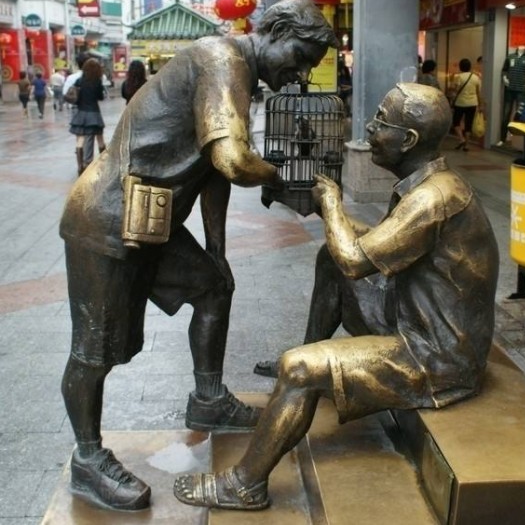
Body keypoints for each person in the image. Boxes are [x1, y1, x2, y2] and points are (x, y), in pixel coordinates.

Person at [58, 0, 338, 512]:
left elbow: (212, 170)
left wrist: (216, 250)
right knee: (94, 349)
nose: (299, 74)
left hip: (151, 218)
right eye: (299, 57)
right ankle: (88, 457)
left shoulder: (240, 73)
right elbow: (232, 159)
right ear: (275, 31)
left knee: (214, 286)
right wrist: (281, 178)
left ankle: (208, 399)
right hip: (108, 216)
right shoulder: (222, 60)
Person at [174, 82, 499, 511]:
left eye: (381, 122)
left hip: (436, 356)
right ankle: (310, 358)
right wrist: (331, 216)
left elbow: (355, 261)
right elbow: (366, 247)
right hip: (410, 317)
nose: (370, 128)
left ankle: (245, 485)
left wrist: (331, 205)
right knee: (329, 256)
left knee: (300, 368)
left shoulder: (432, 199)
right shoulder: (429, 184)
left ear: (408, 140)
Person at [69, 58, 106, 175]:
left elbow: (75, 96)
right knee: (100, 139)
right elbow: (100, 97)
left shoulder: (79, 81)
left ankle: (80, 166)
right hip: (94, 113)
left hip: (81, 113)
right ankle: (103, 164)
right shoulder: (97, 82)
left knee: (80, 139)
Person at [498, 45, 525, 146]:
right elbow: (504, 70)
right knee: (506, 114)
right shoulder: (510, 57)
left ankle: (516, 139)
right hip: (509, 90)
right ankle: (502, 138)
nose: (521, 46)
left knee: (520, 114)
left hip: (521, 90)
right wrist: (505, 78)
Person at [64, 53, 96, 167]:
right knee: (89, 136)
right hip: (90, 110)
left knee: (79, 136)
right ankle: (88, 161)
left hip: (76, 110)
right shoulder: (92, 77)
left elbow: (65, 94)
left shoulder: (71, 78)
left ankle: (80, 163)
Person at [450, 58, 482, 151]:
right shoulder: (476, 77)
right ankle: (466, 145)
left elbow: (453, 89)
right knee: (469, 124)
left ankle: (461, 139)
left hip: (460, 103)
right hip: (472, 103)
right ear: (469, 67)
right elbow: (478, 93)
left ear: (460, 67)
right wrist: (480, 104)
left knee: (456, 122)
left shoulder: (458, 77)